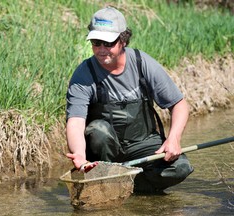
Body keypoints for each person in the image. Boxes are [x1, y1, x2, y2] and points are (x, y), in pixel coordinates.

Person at [66, 6, 193, 193]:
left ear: (123, 40)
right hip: (104, 150)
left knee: (179, 168)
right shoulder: (83, 73)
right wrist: (79, 153)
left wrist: (173, 139)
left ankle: (127, 185)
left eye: (108, 43)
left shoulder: (143, 63)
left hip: (143, 142)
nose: (101, 50)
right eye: (96, 42)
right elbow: (75, 121)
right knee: (98, 131)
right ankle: (106, 177)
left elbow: (179, 105)